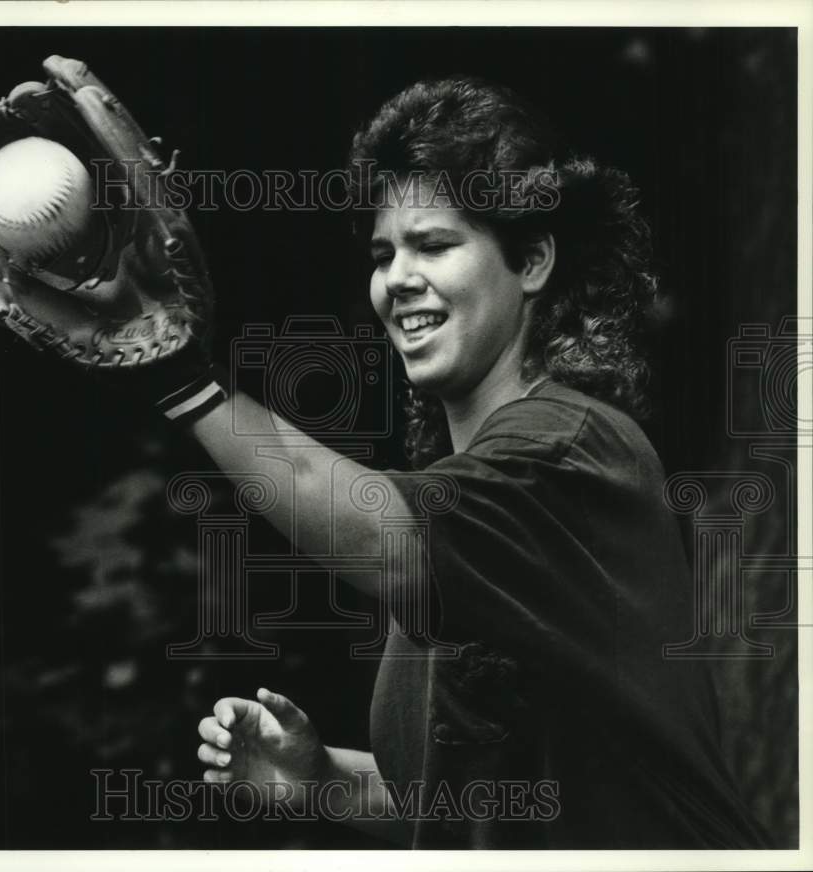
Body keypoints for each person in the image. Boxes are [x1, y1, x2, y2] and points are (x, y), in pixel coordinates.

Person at [190, 77, 770, 848]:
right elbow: (488, 805)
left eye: (433, 244)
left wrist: (181, 381)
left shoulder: (567, 451)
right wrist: (329, 781)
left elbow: (377, 537)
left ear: (530, 260)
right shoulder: (469, 533)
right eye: (383, 252)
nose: (397, 276)